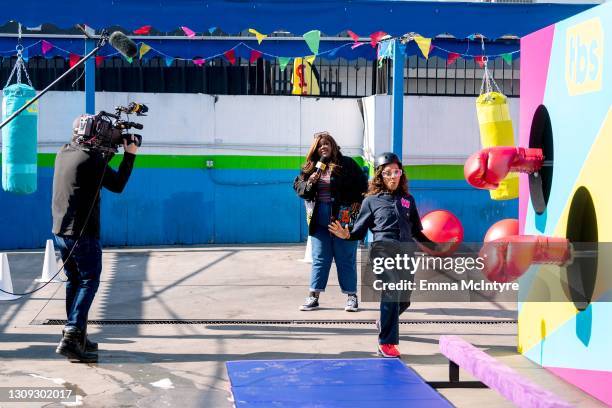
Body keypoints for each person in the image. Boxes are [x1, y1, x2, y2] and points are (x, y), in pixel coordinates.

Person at [329, 152, 452, 358]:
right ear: (380, 176)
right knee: (392, 291)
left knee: (404, 300)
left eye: (397, 172)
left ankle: (383, 322)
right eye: (388, 173)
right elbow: (359, 231)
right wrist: (346, 234)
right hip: (382, 250)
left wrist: (438, 249)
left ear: (401, 174)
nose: (393, 176)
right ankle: (386, 343)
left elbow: (416, 232)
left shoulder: (408, 200)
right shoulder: (371, 201)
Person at [52, 118, 139, 363]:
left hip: (61, 232)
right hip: (83, 235)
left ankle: (76, 335)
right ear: (95, 137)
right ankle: (72, 335)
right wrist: (130, 154)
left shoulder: (64, 152)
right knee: (89, 281)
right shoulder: (93, 161)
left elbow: (94, 166)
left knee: (75, 281)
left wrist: (109, 149)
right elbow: (118, 184)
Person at [294, 131, 368, 312]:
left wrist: (356, 207)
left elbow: (363, 186)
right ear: (315, 150)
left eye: (326, 143)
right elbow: (300, 190)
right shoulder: (310, 168)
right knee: (320, 258)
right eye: (319, 145)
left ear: (333, 145)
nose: (323, 147)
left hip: (342, 219)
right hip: (319, 219)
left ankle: (351, 297)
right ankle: (313, 297)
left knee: (346, 258)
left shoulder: (347, 164)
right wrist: (310, 182)